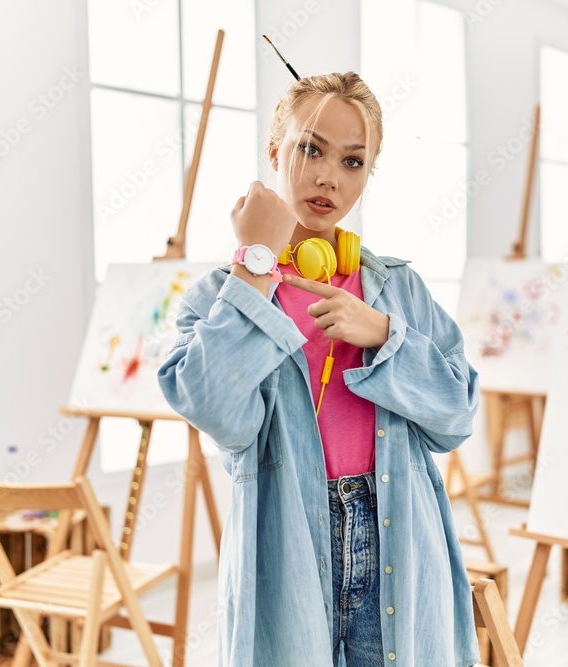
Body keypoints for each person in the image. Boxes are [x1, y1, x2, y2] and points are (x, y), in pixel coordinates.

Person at [157, 71, 481, 667]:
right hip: (288, 539)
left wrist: (383, 334)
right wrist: (255, 265)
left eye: (353, 161)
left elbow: (457, 416)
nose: (329, 176)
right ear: (274, 151)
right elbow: (212, 407)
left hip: (398, 534)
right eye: (310, 149)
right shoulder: (224, 295)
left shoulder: (397, 290)